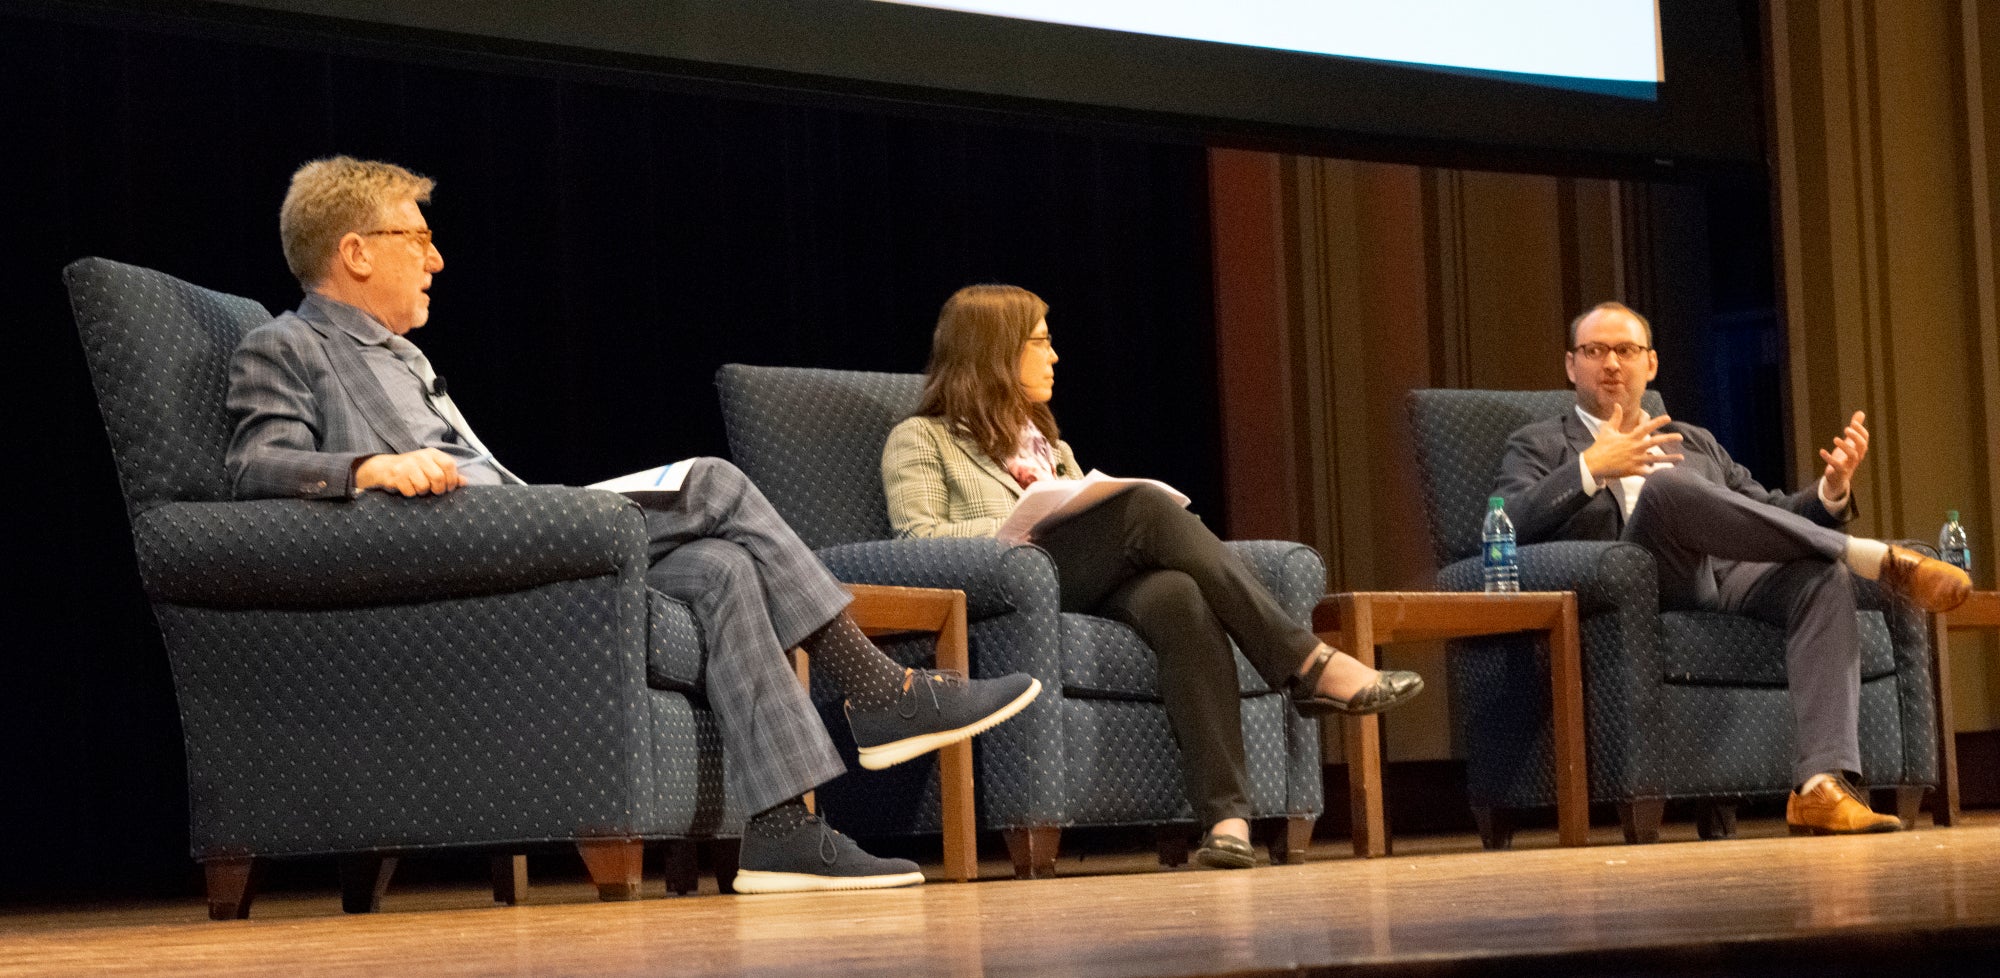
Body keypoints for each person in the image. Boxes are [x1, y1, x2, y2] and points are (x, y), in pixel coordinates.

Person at [225, 157, 1043, 894]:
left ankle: (784, 835)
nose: (436, 259)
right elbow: (253, 463)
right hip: (474, 536)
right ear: (356, 251)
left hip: (521, 518)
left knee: (724, 565)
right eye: (419, 238)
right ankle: (879, 691)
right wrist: (367, 469)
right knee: (712, 482)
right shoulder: (288, 343)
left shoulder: (403, 355)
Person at [880, 283, 1424, 870]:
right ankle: (1309, 664)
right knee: (1144, 510)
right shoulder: (921, 438)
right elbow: (917, 541)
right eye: (1040, 342)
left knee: (1180, 597)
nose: (1055, 356)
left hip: (1072, 583)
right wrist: (1012, 524)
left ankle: (1227, 822)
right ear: (994, 352)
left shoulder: (1048, 445)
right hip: (1005, 588)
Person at [1493, 301, 1971, 836]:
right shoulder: (1540, 442)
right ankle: (1868, 556)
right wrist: (1589, 469)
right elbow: (1504, 524)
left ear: (1650, 364)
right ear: (1570, 365)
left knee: (1821, 578)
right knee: (1668, 486)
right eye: (1595, 350)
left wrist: (1830, 493)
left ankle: (1820, 786)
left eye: (1625, 350)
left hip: (1726, 578)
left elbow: (1767, 514)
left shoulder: (1695, 441)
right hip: (1638, 586)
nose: (1610, 363)